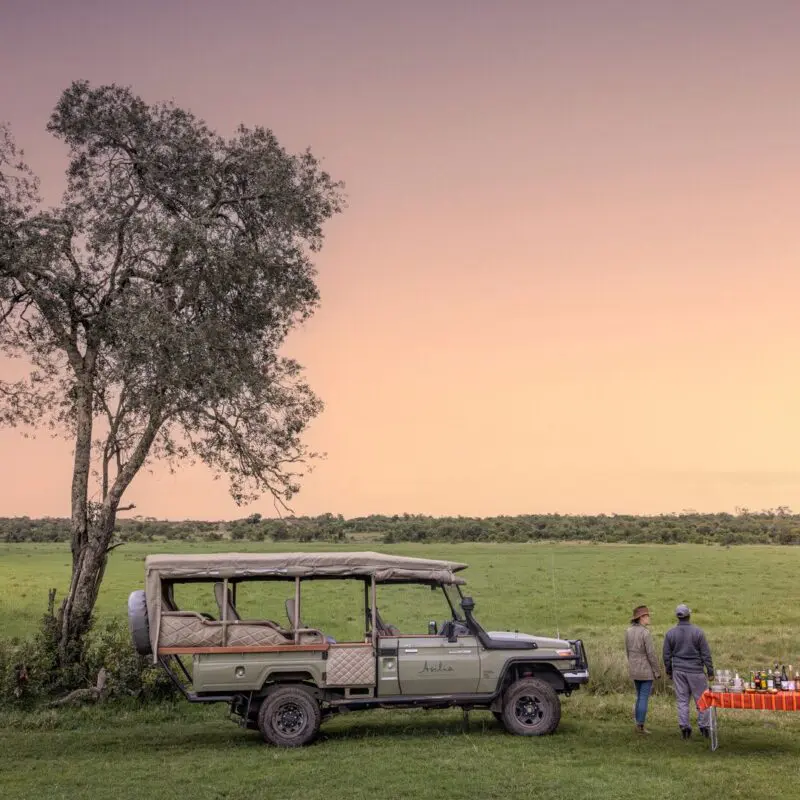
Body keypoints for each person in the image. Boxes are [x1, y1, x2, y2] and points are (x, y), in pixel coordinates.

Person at [663, 603, 714, 739]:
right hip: (696, 671)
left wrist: (669, 671)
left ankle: (684, 728)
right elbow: (706, 654)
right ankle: (704, 727)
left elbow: (666, 655)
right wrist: (710, 672)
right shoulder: (698, 632)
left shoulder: (670, 633)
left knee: (682, 701)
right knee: (702, 700)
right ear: (689, 616)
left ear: (678, 617)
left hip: (678, 671)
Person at [625, 605, 661, 734]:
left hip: (634, 669)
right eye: (647, 616)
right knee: (643, 697)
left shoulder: (628, 631)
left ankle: (638, 723)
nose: (649, 617)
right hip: (645, 670)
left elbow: (627, 651)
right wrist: (657, 671)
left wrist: (632, 664)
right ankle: (640, 725)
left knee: (639, 696)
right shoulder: (645, 633)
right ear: (641, 618)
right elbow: (651, 654)